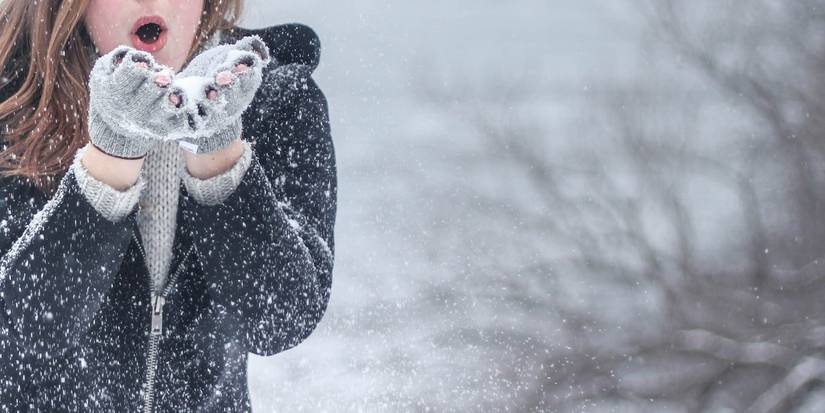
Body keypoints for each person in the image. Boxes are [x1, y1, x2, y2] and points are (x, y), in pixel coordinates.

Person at [0, 0, 337, 411]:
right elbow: (24, 327)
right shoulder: (11, 105)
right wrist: (111, 157)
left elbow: (281, 320)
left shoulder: (277, 101)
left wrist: (218, 155)